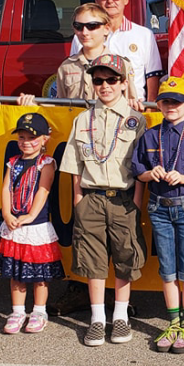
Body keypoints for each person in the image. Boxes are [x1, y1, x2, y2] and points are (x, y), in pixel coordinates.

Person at [57, 54, 147, 347]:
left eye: (111, 80)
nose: (105, 86)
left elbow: (140, 166)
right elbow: (74, 167)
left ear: (123, 83)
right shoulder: (83, 120)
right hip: (91, 199)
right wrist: (79, 202)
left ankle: (120, 316)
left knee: (125, 257)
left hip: (123, 198)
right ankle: (97, 318)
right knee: (93, 261)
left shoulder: (136, 120)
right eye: (98, 80)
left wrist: (135, 201)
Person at [131, 76, 184, 353]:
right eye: (166, 101)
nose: (171, 106)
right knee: (167, 270)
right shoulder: (150, 135)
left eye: (177, 101)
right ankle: (174, 321)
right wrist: (149, 173)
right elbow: (137, 170)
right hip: (158, 207)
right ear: (159, 104)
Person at [0, 113, 63, 334]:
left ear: (45, 139)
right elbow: (6, 188)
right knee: (16, 272)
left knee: (40, 275)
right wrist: (7, 213)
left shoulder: (47, 163)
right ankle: (17, 311)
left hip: (37, 227)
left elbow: (44, 190)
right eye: (22, 137)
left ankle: (39, 311)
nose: (26, 142)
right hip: (15, 226)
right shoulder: (13, 162)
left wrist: (31, 216)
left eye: (32, 137)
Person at [67, 0, 163, 101]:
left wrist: (150, 110)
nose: (110, 1)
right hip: (94, 109)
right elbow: (74, 72)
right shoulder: (82, 36)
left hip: (132, 109)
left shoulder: (144, 35)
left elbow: (152, 76)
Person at [21, 3, 138, 104]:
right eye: (79, 26)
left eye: (92, 26)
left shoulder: (122, 65)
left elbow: (132, 107)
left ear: (106, 28)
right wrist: (34, 105)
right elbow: (60, 109)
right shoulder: (66, 67)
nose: (84, 32)